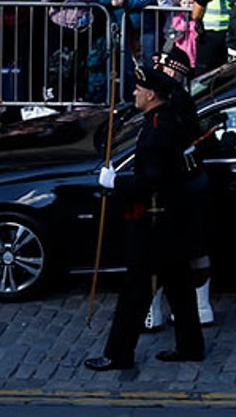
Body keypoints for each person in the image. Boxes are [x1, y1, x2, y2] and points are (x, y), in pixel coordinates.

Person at [84, 57, 210, 370]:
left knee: (136, 290)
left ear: (152, 95)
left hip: (155, 222)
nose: (136, 93)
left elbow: (150, 181)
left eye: (140, 89)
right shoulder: (167, 120)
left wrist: (115, 182)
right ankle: (191, 346)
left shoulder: (157, 132)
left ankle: (118, 353)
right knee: (179, 286)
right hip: (174, 219)